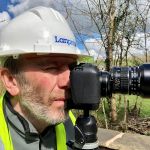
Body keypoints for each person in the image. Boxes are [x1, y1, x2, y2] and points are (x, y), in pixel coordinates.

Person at [0, 6, 85, 150]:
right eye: (51, 67)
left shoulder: (70, 122)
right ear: (11, 80)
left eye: (71, 68)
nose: (68, 81)